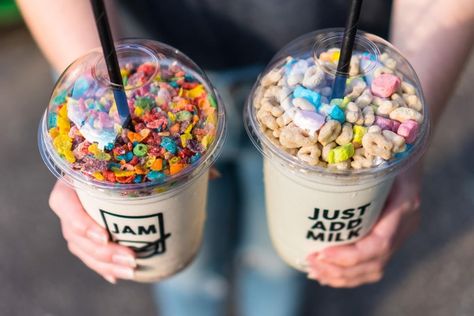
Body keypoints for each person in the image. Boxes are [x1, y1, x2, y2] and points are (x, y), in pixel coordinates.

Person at [17, 0, 474, 315]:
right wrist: (85, 96)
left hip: (330, 67)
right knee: (179, 270)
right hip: (153, 75)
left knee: (290, 261)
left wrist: (407, 150)